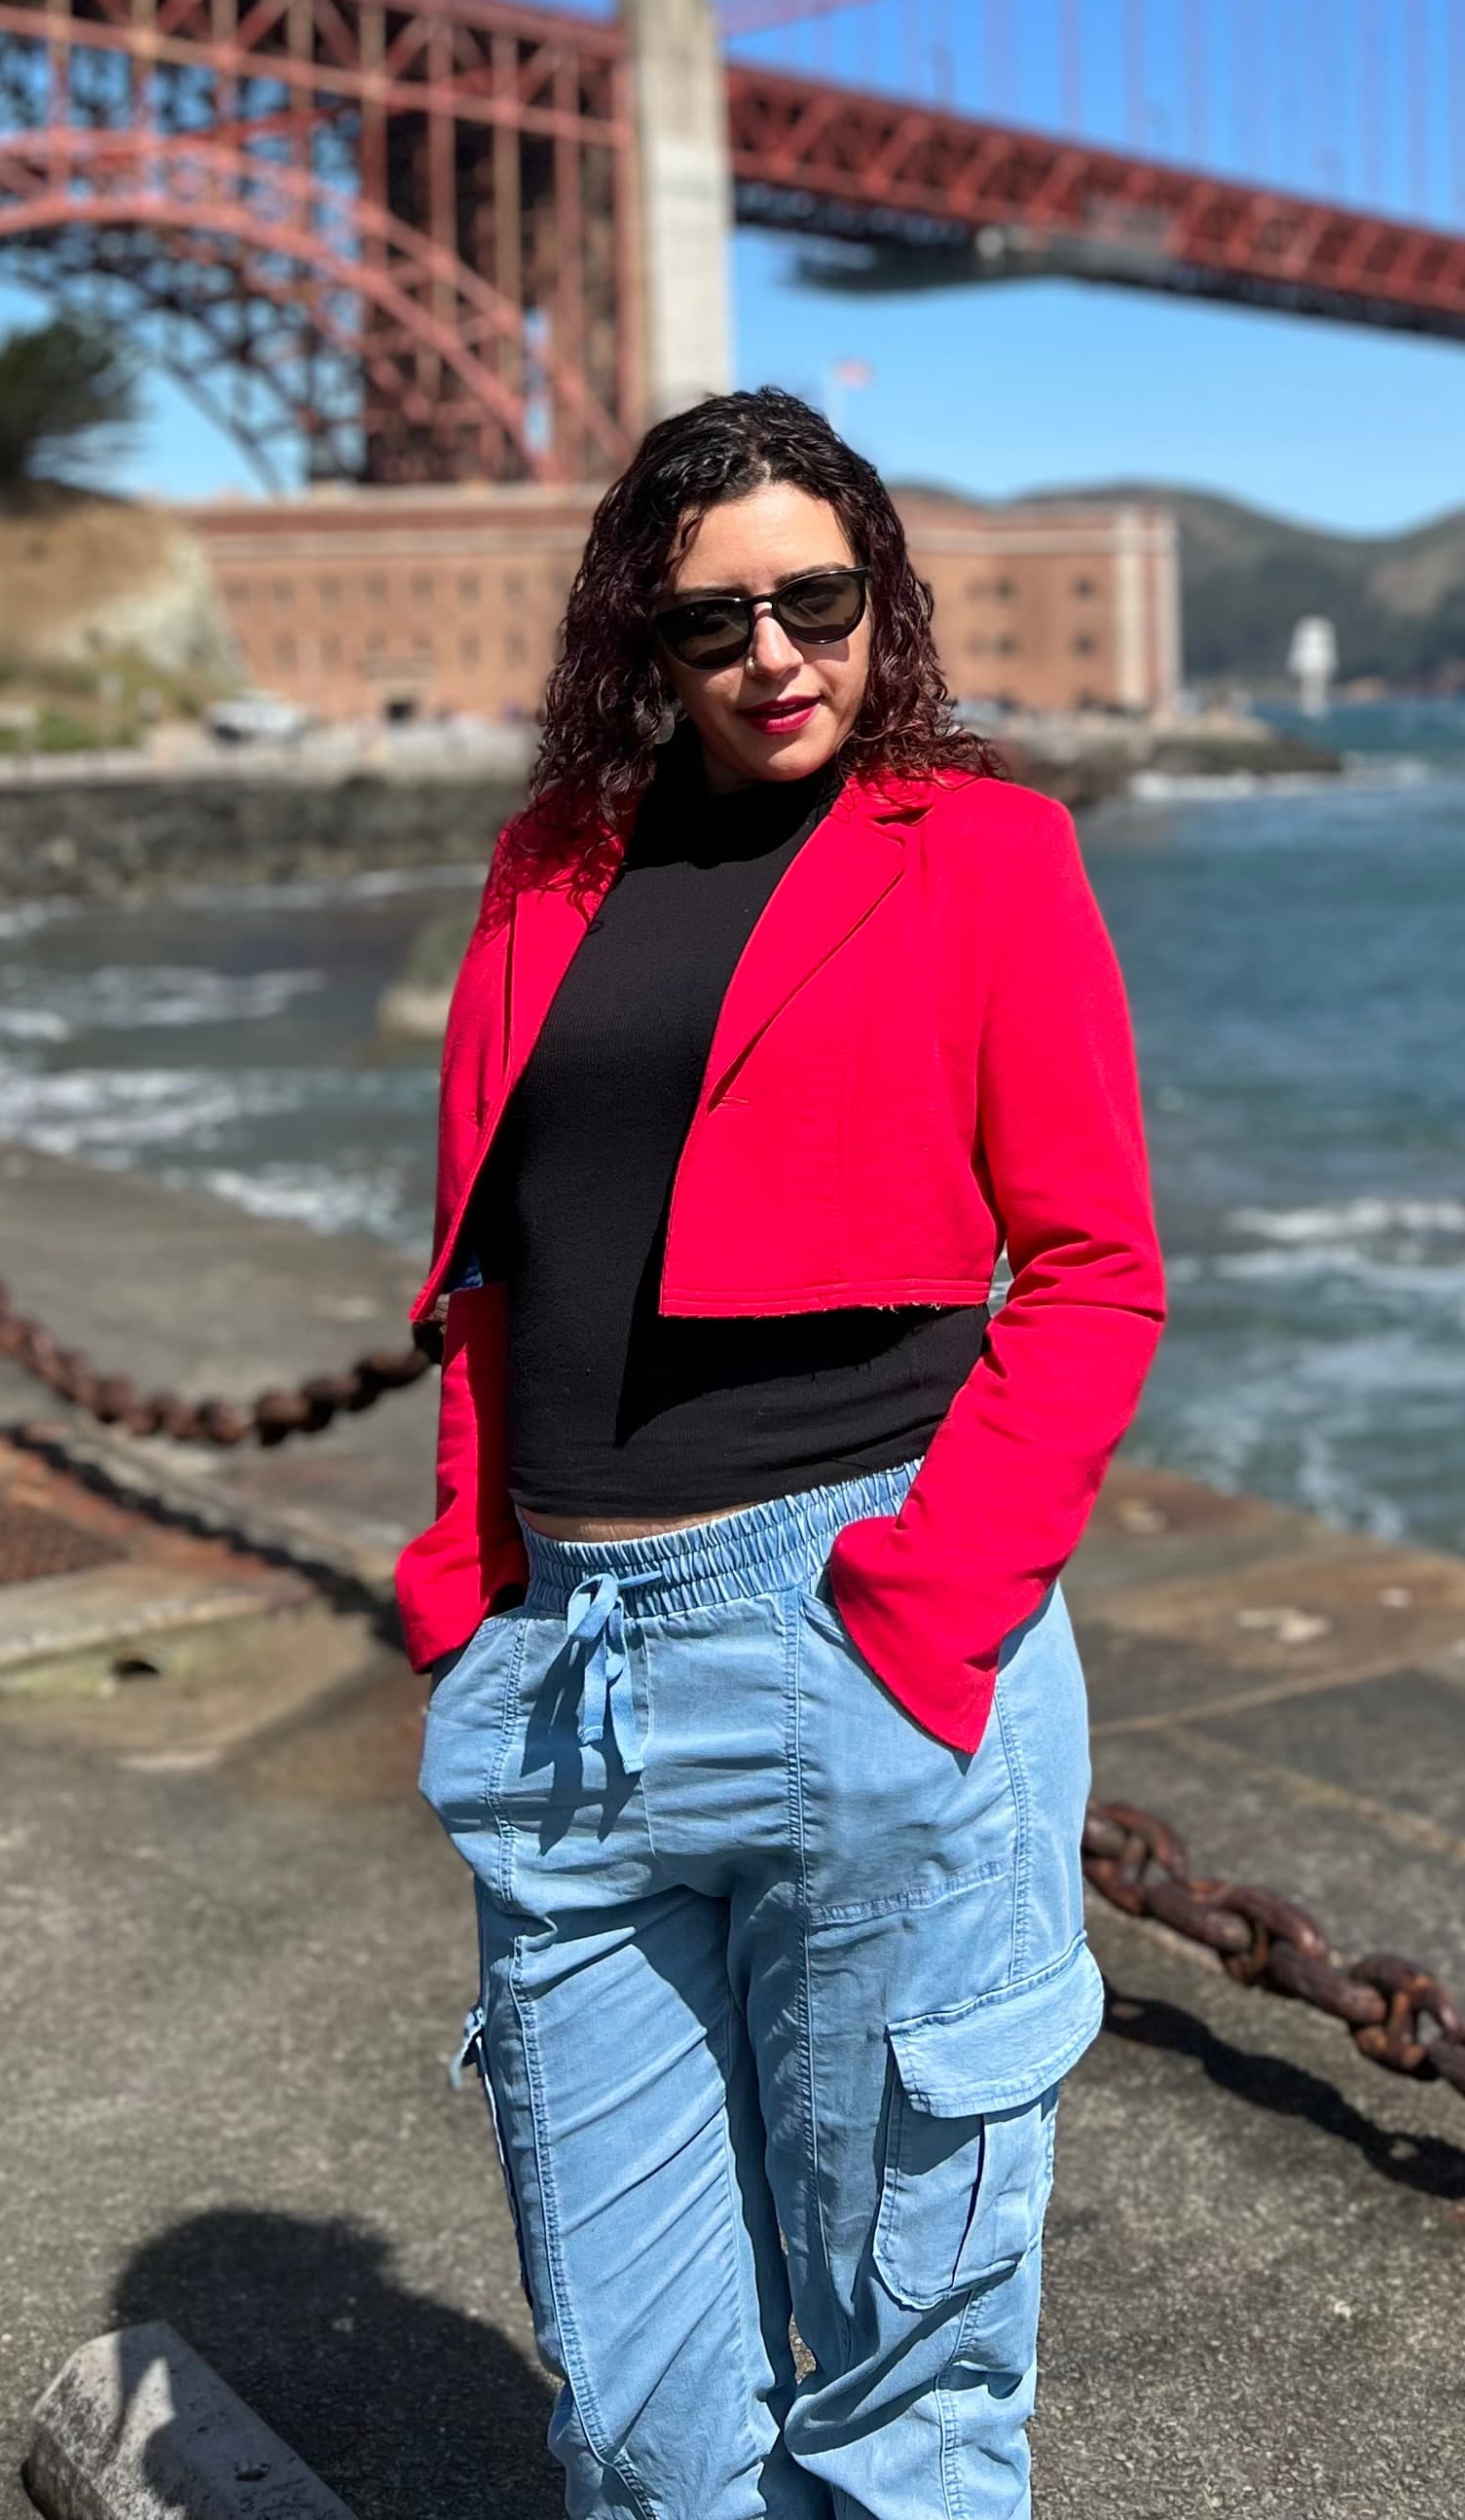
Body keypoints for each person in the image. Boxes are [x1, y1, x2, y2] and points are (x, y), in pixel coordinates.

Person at [400, 386, 1165, 2520]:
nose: (774, 655)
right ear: (638, 644)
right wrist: (469, 1593)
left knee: (905, 2393)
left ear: (879, 599)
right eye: (712, 618)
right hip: (569, 1683)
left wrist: (920, 1622)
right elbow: (495, 1264)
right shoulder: (545, 863)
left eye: (817, 599)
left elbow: (1094, 1270)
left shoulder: (985, 848)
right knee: (641, 2424)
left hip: (854, 1634)